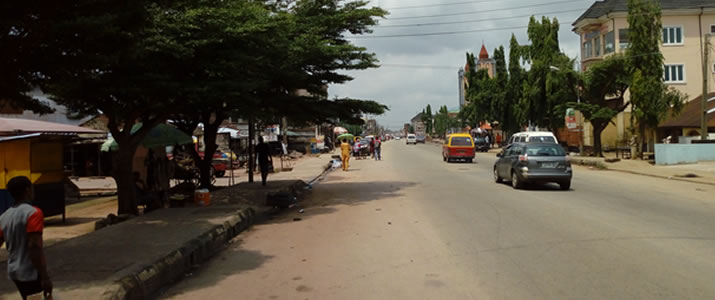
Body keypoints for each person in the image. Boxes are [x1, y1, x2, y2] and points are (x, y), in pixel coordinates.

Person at [0, 176, 52, 300]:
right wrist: (44, 276)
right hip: (30, 272)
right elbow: (34, 246)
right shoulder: (33, 213)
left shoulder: (4, 217)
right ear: (27, 190)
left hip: (14, 271)